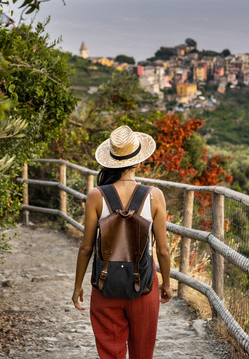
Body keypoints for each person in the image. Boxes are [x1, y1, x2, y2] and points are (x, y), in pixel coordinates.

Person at [72, 125, 174, 359]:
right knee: (142, 353)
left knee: (111, 352)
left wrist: (78, 285)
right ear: (138, 162)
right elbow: (164, 250)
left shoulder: (96, 195)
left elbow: (86, 247)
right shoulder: (154, 195)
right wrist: (166, 283)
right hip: (144, 286)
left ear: (110, 161)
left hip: (105, 284)